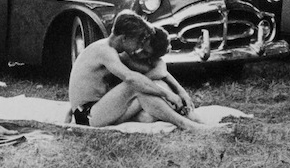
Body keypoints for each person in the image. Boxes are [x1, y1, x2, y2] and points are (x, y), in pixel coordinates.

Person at [68, 10, 222, 131]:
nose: (138, 47)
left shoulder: (116, 52)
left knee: (147, 105)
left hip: (99, 110)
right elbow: (132, 80)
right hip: (86, 115)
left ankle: (195, 120)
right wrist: (167, 93)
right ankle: (187, 125)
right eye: (138, 40)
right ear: (124, 38)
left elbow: (159, 69)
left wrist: (181, 92)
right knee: (136, 86)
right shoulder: (104, 51)